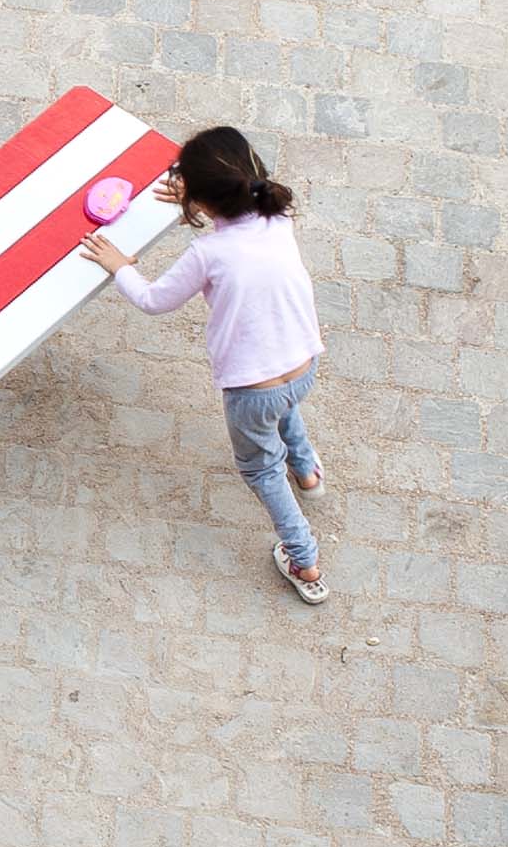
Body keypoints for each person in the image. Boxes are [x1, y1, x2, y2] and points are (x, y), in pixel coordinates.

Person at [79, 125, 327, 603]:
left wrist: (118, 265)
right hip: (302, 364)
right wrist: (200, 200)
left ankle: (305, 559)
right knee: (285, 408)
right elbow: (237, 224)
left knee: (261, 471)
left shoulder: (207, 253)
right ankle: (308, 473)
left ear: (204, 201)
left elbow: (154, 300)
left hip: (252, 390)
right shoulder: (278, 216)